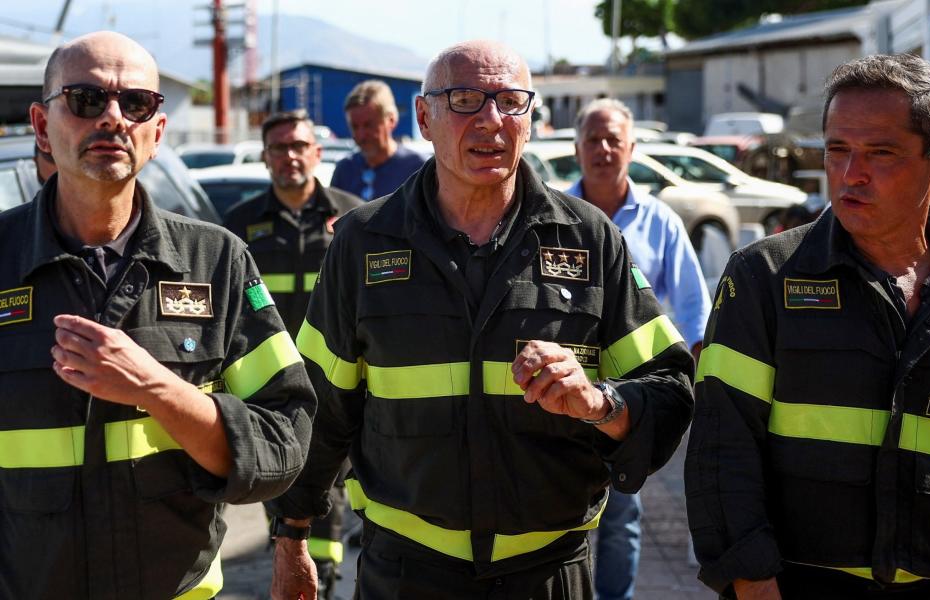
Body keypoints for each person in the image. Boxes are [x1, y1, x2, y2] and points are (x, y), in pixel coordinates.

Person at [270, 40, 695, 599]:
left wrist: (601, 403)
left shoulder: (590, 240)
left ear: (531, 119)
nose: (491, 120)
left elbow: (669, 390)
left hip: (548, 573)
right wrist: (291, 536)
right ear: (425, 117)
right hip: (405, 573)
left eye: (510, 101)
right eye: (466, 99)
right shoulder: (363, 242)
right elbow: (323, 408)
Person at [3, 31, 316, 600]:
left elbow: (284, 440)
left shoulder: (216, 260)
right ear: (43, 126)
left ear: (157, 133)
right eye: (86, 99)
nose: (114, 118)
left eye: (136, 103)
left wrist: (154, 387)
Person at [686, 53, 930, 599]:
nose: (851, 174)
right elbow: (723, 446)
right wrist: (752, 581)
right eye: (837, 150)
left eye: (880, 153)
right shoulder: (764, 276)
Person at [568, 98, 711, 600]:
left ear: (631, 148)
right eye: (593, 140)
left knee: (621, 515)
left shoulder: (660, 222)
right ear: (576, 148)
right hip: (560, 392)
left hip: (627, 399)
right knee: (560, 514)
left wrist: (698, 374)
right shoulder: (553, 214)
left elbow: (694, 306)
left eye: (614, 140)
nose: (603, 149)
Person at [223, 108, 361, 599]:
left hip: (335, 386)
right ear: (265, 157)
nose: (290, 156)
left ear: (318, 153)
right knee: (279, 492)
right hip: (270, 395)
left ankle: (319, 581)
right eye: (279, 148)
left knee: (329, 489)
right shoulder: (239, 227)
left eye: (299, 146)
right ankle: (297, 563)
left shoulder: (352, 217)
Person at [330, 79, 426, 201]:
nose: (361, 135)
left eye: (369, 125)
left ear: (391, 120)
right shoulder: (344, 170)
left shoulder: (417, 168)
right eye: (355, 127)